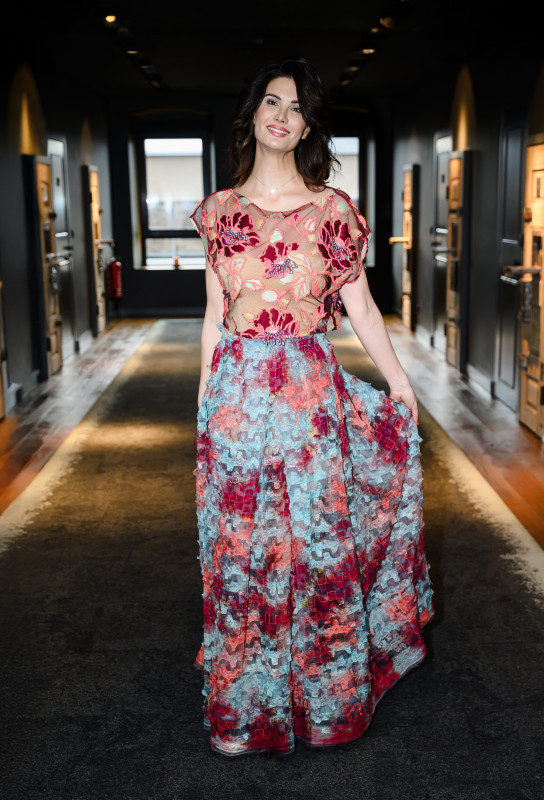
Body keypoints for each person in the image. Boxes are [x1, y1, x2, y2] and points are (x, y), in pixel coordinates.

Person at [190, 57, 434, 757]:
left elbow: (362, 307)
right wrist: (202, 408)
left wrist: (399, 384)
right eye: (273, 101)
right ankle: (246, 707)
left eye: (297, 108)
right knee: (242, 552)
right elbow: (214, 319)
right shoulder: (219, 212)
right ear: (254, 115)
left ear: (307, 128)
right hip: (236, 403)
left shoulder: (334, 211)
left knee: (318, 547)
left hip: (310, 401)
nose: (282, 115)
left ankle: (326, 698)